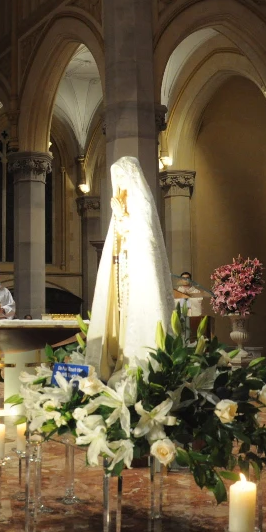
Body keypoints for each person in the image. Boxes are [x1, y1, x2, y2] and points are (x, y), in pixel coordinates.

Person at [85, 157, 175, 382]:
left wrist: (123, 218)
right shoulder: (119, 199)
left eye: (122, 175)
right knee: (120, 315)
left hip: (138, 271)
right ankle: (117, 356)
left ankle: (139, 362)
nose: (119, 180)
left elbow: (146, 238)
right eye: (116, 176)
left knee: (137, 316)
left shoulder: (141, 200)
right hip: (121, 268)